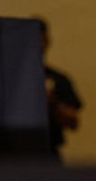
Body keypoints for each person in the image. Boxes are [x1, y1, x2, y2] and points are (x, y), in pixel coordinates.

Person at [34, 17, 82, 158]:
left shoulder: (58, 79)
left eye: (40, 40)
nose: (36, 45)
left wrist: (52, 102)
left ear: (47, 41)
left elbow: (73, 122)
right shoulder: (12, 78)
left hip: (48, 151)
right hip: (14, 154)